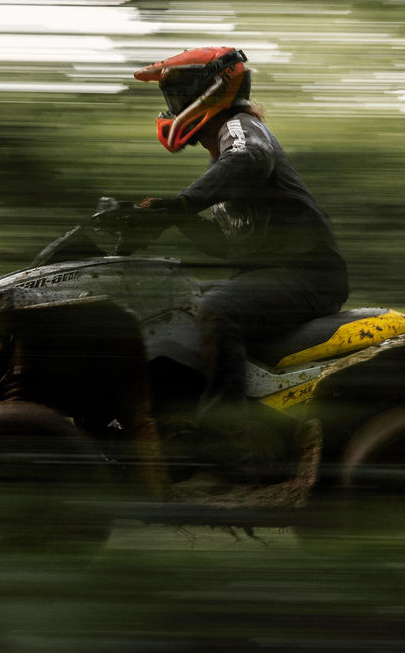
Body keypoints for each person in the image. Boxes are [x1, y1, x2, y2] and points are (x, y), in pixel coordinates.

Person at [126, 47, 350, 433]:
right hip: (273, 275)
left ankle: (227, 433)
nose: (171, 106)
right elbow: (227, 244)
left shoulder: (240, 128)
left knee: (217, 308)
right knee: (174, 301)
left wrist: (182, 204)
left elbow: (249, 158)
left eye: (176, 95)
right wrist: (171, 218)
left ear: (209, 90)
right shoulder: (223, 161)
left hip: (308, 276)